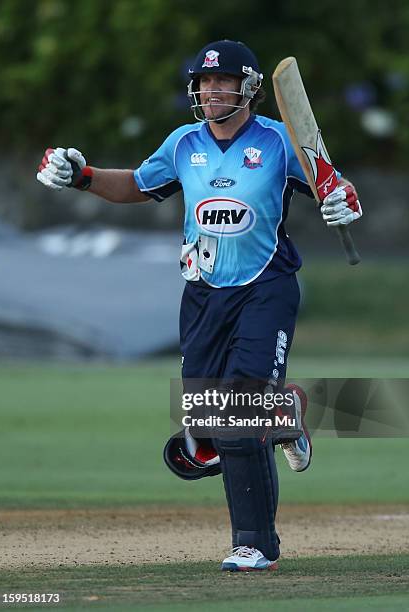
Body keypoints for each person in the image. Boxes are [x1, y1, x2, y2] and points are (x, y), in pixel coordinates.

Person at [37, 39, 362, 571]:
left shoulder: (280, 143)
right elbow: (140, 186)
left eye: (222, 81)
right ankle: (288, 410)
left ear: (247, 88)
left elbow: (334, 187)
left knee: (237, 420)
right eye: (204, 82)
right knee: (203, 436)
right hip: (203, 295)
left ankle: (255, 545)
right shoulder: (184, 143)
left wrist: (342, 200)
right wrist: (85, 176)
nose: (211, 90)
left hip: (265, 289)